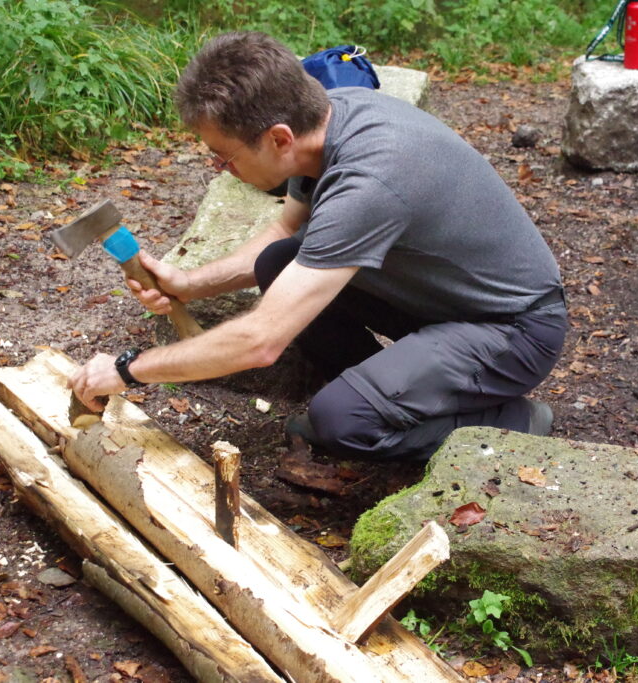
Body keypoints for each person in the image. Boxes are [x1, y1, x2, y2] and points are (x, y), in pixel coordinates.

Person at [70, 31, 567, 461]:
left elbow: (260, 342)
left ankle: (510, 420)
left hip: (512, 331)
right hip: (442, 299)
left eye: (225, 158)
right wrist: (189, 284)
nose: (222, 170)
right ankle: (379, 388)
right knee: (277, 262)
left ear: (279, 137)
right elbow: (285, 233)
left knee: (342, 423)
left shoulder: (371, 179)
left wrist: (126, 371)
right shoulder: (329, 120)